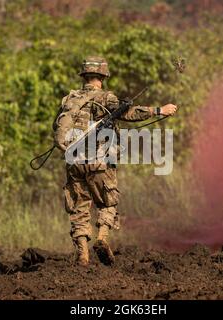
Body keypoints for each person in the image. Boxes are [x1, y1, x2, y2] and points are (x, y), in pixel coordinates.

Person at [53, 56, 177, 266]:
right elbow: (128, 113)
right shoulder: (106, 97)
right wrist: (159, 110)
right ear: (103, 76)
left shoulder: (69, 99)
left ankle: (82, 255)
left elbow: (57, 129)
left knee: (79, 208)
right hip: (100, 160)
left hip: (74, 160)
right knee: (108, 202)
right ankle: (102, 237)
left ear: (84, 76)